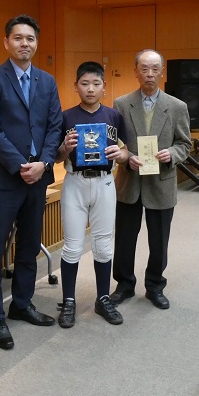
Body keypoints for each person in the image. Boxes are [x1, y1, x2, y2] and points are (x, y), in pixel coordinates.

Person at [0, 14, 62, 350]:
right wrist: (20, 165)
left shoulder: (47, 81)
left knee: (29, 246)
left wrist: (43, 163)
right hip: (3, 179)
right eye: (18, 38)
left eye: (30, 38)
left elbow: (54, 127)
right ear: (6, 42)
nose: (24, 43)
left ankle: (22, 304)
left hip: (38, 178)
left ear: (36, 43)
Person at [109, 49, 193, 310]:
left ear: (162, 72)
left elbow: (185, 144)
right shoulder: (121, 104)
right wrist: (126, 157)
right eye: (144, 68)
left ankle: (155, 286)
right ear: (135, 71)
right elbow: (116, 143)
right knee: (124, 239)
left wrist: (171, 154)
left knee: (159, 241)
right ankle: (124, 285)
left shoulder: (177, 107)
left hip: (161, 181)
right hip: (130, 182)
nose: (149, 74)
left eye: (155, 69)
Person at [54, 61, 129, 328]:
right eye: (84, 83)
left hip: (104, 183)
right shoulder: (65, 117)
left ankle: (103, 298)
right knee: (73, 246)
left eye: (96, 84)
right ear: (75, 86)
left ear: (104, 87)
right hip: (74, 182)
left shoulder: (114, 116)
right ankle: (69, 300)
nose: (90, 89)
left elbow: (126, 152)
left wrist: (121, 154)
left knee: (103, 244)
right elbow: (56, 157)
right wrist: (65, 147)